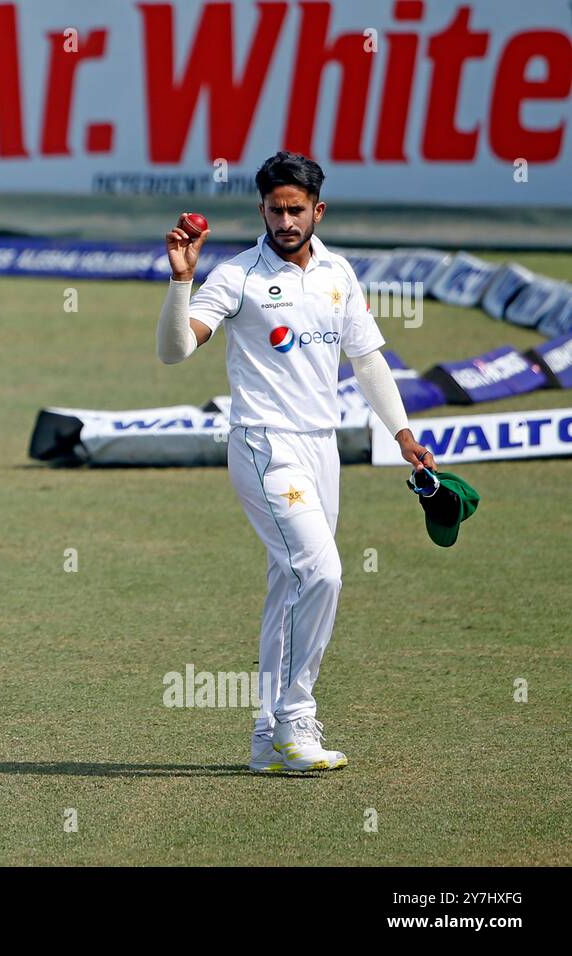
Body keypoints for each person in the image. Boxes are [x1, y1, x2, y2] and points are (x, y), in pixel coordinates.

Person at [155, 151, 436, 773]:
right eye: (275, 210)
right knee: (322, 572)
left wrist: (402, 434)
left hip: (321, 446)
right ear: (261, 210)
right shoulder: (236, 276)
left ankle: (265, 738)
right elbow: (175, 352)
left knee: (291, 583)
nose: (285, 220)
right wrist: (181, 282)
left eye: (296, 209)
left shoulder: (339, 272)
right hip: (263, 443)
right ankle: (297, 717)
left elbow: (367, 361)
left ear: (317, 210)